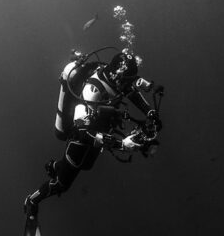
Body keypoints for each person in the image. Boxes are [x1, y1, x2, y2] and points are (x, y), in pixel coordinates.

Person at [23, 50, 162, 220]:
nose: (128, 85)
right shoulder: (93, 90)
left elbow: (131, 92)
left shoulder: (117, 81)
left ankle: (56, 166)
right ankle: (32, 201)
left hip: (98, 133)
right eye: (127, 81)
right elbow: (82, 131)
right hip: (79, 140)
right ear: (117, 76)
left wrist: (150, 113)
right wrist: (121, 145)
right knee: (62, 184)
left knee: (87, 165)